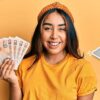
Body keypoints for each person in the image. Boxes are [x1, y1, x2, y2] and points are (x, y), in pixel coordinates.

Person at [0, 2, 97, 100]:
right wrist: (13, 82)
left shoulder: (82, 68)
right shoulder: (24, 65)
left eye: (62, 29)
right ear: (40, 33)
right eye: (47, 28)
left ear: (69, 33)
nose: (54, 36)